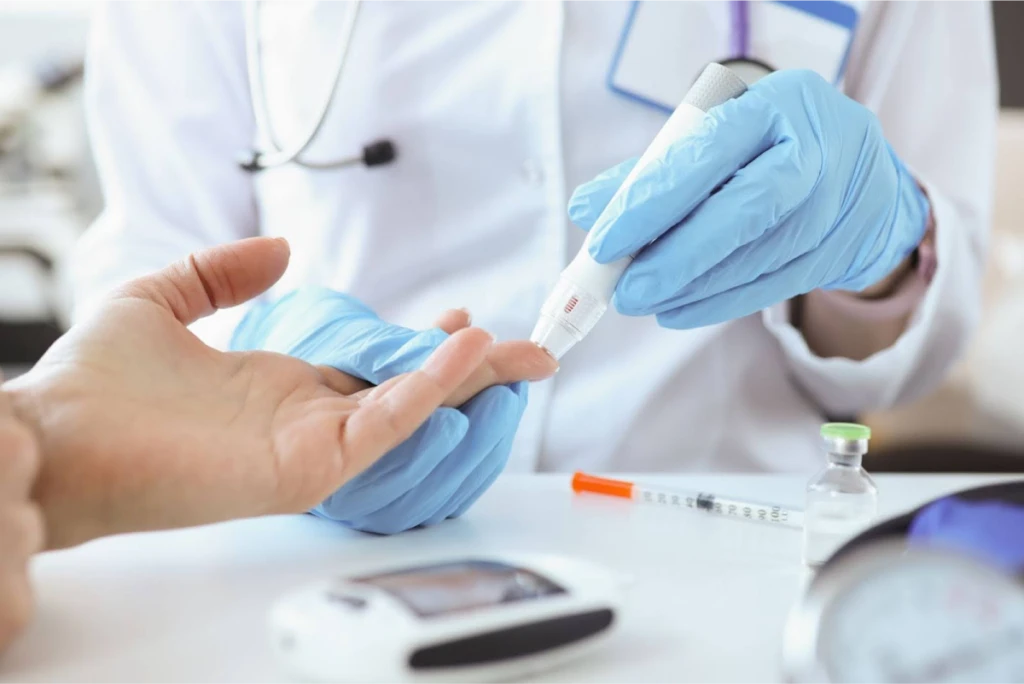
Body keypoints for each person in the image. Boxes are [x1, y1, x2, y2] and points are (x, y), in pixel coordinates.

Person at [74, 1, 998, 533]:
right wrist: (264, 370)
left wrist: (876, 249)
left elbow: (926, 343)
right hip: (313, 548)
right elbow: (150, 259)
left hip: (715, 538)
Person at [0, 236, 553, 651]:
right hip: (279, 547)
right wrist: (252, 340)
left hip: (629, 474)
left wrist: (45, 436)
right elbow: (146, 233)